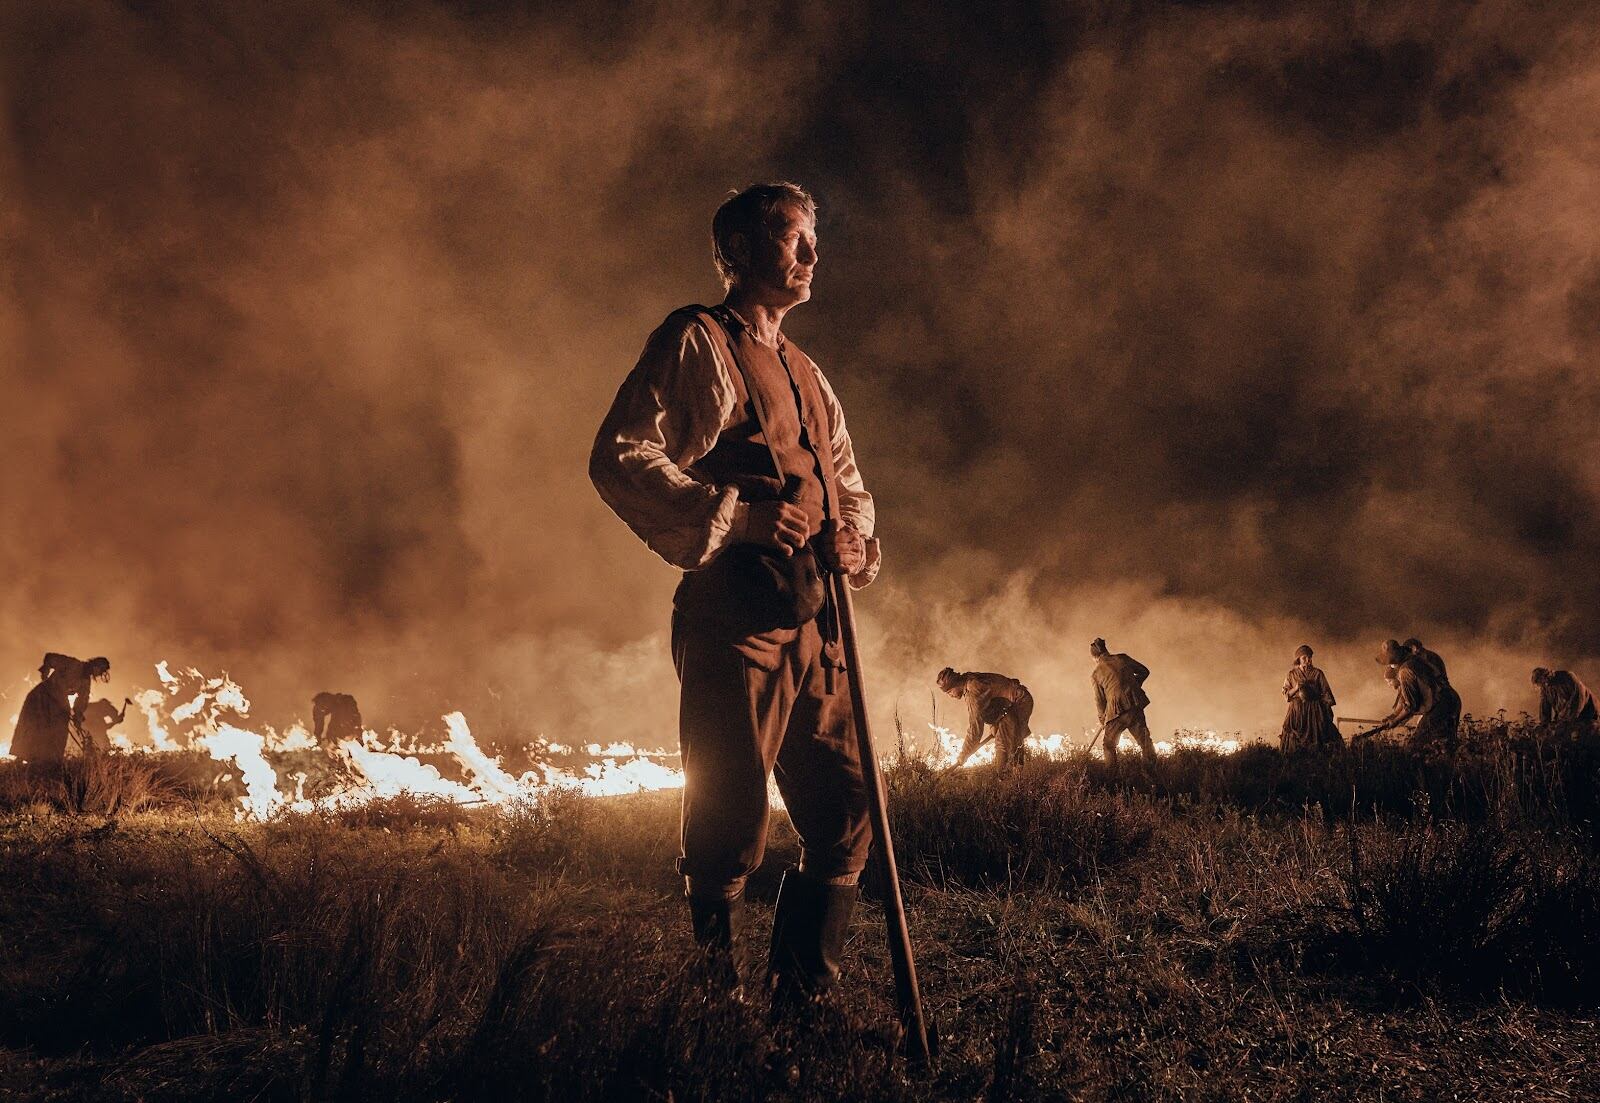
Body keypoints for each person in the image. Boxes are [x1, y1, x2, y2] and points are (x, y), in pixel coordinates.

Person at [590, 183, 879, 1002]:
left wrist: (853, 539)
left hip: (817, 623)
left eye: (814, 239)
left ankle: (800, 997)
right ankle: (711, 1004)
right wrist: (740, 520)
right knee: (727, 820)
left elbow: (846, 480)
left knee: (849, 809)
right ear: (743, 250)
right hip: (733, 619)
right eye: (794, 238)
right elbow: (621, 452)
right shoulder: (698, 339)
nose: (812, 255)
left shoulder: (808, 371)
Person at [1358, 639, 1459, 752]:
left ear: (1394, 661)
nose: (1390, 666)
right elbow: (1405, 697)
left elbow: (1410, 706)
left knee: (1415, 747)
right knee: (1446, 746)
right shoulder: (1414, 659)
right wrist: (1394, 715)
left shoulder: (1405, 671)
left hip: (1440, 705)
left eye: (1390, 663)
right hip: (1452, 698)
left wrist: (1395, 721)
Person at [10, 653, 111, 763]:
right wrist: (45, 673)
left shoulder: (85, 682)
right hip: (40, 697)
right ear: (95, 665)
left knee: (59, 731)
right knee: (33, 727)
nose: (98, 674)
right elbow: (50, 657)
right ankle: (20, 759)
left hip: (58, 704)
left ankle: (49, 761)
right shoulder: (73, 664)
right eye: (100, 670)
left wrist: (78, 715)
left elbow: (82, 701)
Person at [936, 667, 1034, 770]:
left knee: (1003, 743)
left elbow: (975, 728)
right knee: (1011, 738)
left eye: (949, 691)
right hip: (1010, 704)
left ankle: (1003, 777)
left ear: (956, 684)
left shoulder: (972, 689)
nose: (950, 695)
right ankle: (1020, 773)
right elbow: (991, 703)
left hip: (1019, 702)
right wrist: (995, 726)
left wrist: (965, 753)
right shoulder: (970, 679)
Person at [1090, 638, 1157, 764]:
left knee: (1109, 746)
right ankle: (1152, 774)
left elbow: (1100, 701)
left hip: (1116, 712)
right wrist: (1134, 685)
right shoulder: (1122, 658)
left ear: (1095, 658)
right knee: (1145, 742)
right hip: (1134, 705)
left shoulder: (1096, 674)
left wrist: (1102, 719)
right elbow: (1144, 671)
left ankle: (1111, 779)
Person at [1279, 645, 1340, 752]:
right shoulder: (1291, 674)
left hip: (1314, 711)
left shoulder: (1317, 673)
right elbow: (1286, 696)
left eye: (1310, 657)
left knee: (1318, 737)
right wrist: (1296, 687)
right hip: (1297, 711)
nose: (1308, 660)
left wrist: (1325, 710)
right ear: (1298, 659)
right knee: (1293, 739)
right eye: (1304, 658)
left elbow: (1326, 692)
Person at [1532, 667, 1597, 731]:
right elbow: (1544, 708)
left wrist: (1566, 722)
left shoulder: (1568, 677)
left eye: (1542, 682)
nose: (1542, 686)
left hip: (1588, 713)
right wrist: (1544, 726)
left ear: (1547, 676)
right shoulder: (1545, 687)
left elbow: (1578, 700)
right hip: (1567, 718)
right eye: (1540, 684)